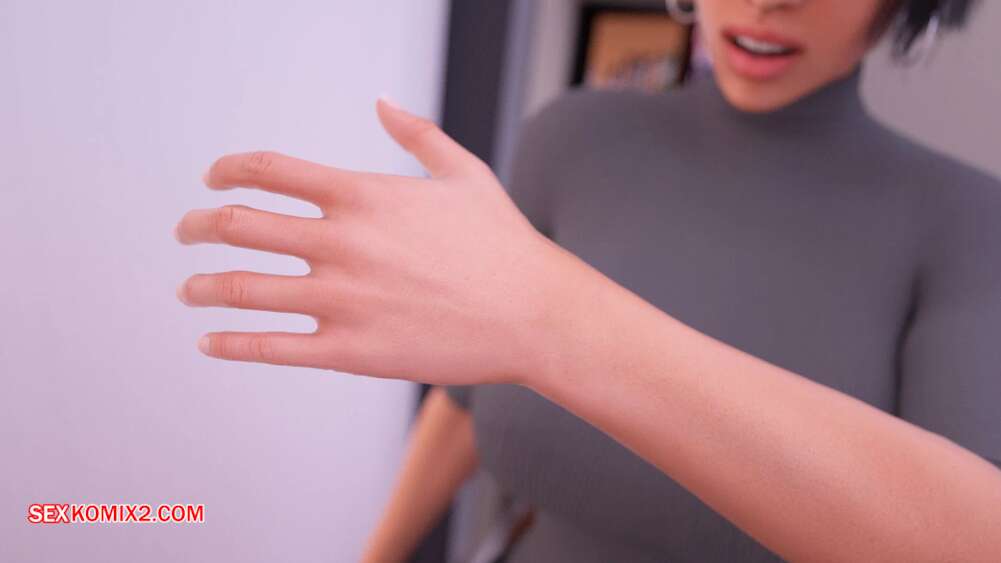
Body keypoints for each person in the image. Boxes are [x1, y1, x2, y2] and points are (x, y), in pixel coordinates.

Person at [174, 0, 1001, 561]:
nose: (765, 1)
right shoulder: (575, 137)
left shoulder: (967, 219)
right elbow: (463, 404)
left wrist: (555, 322)